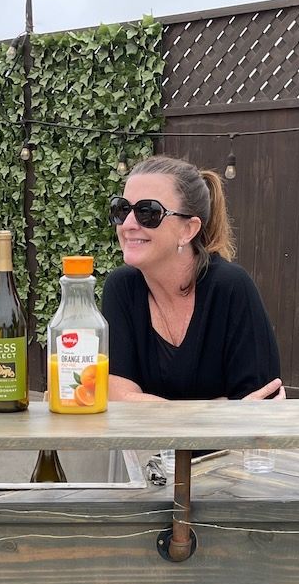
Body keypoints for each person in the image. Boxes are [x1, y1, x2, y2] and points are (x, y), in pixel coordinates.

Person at [102, 155, 284, 402]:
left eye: (148, 212)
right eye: (122, 209)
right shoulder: (121, 287)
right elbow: (118, 398)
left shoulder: (230, 288)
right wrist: (218, 411)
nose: (128, 224)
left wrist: (150, 408)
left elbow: (260, 408)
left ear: (188, 230)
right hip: (145, 442)